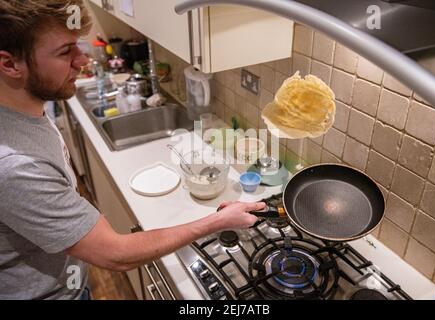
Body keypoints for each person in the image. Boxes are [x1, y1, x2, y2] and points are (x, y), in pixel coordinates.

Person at [0, 0, 265, 300]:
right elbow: (116, 254)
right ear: (10, 64)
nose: (83, 60)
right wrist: (219, 221)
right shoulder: (15, 164)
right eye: (65, 51)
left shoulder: (24, 111)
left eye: (76, 46)